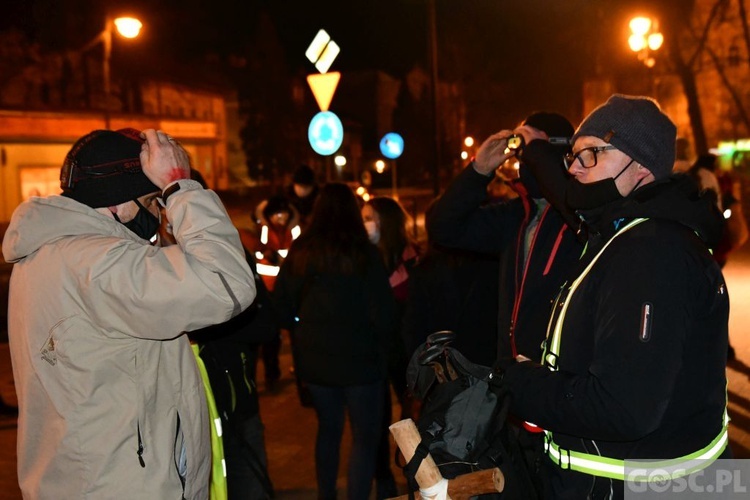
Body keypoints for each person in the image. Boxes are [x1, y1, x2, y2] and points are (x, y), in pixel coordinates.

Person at [1, 128, 256, 499]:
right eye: (153, 202)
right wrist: (180, 187)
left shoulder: (49, 256)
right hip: (123, 485)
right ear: (117, 204)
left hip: (90, 479)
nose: (158, 214)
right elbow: (226, 283)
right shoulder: (98, 264)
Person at [496, 95, 730, 498]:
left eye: (591, 154)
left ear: (641, 165)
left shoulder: (651, 251)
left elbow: (624, 408)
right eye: (572, 155)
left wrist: (516, 381)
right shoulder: (619, 235)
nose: (573, 167)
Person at [273, 183, 396, 500]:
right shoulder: (364, 253)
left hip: (316, 360)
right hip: (363, 361)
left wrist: (302, 330)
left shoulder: (302, 251)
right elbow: (383, 312)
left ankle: (326, 495)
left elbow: (282, 308)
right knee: (364, 439)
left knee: (328, 431)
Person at [428, 111, 583, 363]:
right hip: (511, 376)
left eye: (536, 148)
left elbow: (570, 202)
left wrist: (537, 151)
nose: (527, 158)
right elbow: (444, 228)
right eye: (524, 151)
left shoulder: (578, 218)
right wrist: (479, 170)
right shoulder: (514, 216)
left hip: (559, 380)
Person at [361, 196, 420, 499]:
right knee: (377, 417)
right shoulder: (363, 257)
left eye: (370, 217)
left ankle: (418, 473)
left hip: (405, 349)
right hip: (374, 349)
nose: (366, 223)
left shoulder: (411, 256)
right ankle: (382, 477)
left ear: (386, 221)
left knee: (410, 416)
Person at [253, 194, 301, 390]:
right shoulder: (264, 229)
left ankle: (300, 372)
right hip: (269, 287)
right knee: (271, 334)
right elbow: (259, 251)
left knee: (296, 331)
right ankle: (271, 374)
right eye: (276, 215)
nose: (280, 218)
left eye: (283, 214)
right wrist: (266, 255)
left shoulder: (295, 229)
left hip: (291, 285)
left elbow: (298, 251)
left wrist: (282, 258)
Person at [285, 164, 320, 229]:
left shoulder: (319, 203)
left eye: (306, 187)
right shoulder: (286, 203)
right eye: (300, 186)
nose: (302, 190)